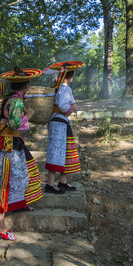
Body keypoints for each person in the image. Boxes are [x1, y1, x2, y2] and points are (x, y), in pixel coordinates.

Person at [0, 66, 43, 240]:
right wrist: (29, 115)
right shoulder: (16, 101)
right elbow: (15, 124)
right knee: (4, 183)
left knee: (22, 174)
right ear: (27, 86)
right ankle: (0, 228)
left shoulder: (9, 98)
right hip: (6, 147)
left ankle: (18, 203)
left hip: (8, 145)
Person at [44, 61, 84, 194]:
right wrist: (73, 107)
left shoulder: (57, 87)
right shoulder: (65, 88)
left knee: (65, 151)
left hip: (59, 122)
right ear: (71, 77)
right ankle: (50, 183)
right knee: (56, 152)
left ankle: (63, 181)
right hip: (60, 123)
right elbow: (63, 106)